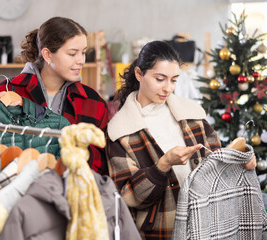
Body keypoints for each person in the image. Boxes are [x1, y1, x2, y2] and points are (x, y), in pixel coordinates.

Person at [105, 40, 256, 239]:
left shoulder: (192, 115)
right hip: (159, 234)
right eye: (160, 79)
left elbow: (217, 168)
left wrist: (242, 159)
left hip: (205, 228)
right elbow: (129, 196)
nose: (168, 88)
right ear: (139, 74)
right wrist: (163, 165)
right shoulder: (120, 131)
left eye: (174, 80)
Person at [0, 17, 109, 175]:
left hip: (72, 194)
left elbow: (102, 163)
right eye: (73, 53)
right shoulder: (6, 92)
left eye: (83, 52)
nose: (81, 60)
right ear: (47, 54)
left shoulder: (93, 102)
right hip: (13, 191)